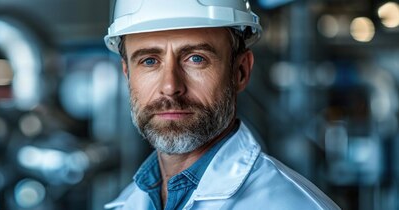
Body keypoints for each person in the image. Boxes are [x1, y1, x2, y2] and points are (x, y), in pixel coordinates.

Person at [103, 0, 340, 209]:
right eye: (149, 61)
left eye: (196, 58)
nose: (170, 86)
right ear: (127, 74)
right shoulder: (127, 203)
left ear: (240, 71)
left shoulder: (294, 205)